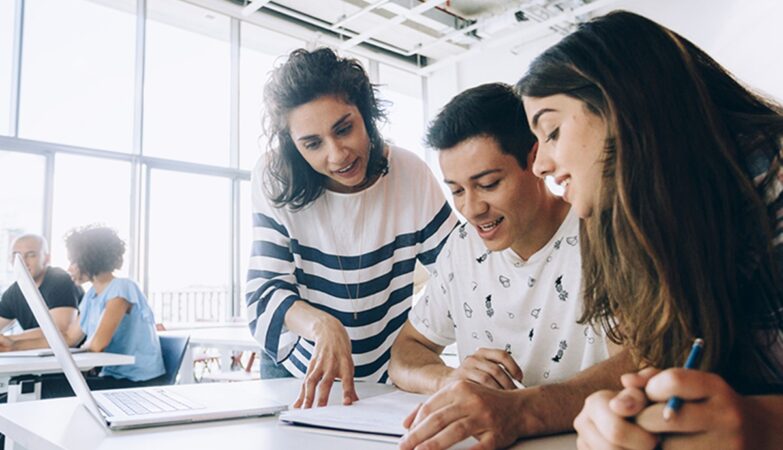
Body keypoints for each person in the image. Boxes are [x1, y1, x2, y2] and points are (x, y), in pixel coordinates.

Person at [516, 10, 783, 449]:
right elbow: (677, 371)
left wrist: (764, 425)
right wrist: (633, 415)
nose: (541, 164)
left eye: (552, 130)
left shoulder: (771, 178)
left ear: (622, 105)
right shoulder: (647, 224)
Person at [394, 83, 633, 450]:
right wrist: (451, 379)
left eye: (488, 184)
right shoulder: (461, 248)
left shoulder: (602, 232)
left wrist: (520, 408)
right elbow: (406, 351)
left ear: (535, 160)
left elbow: (639, 361)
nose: (472, 209)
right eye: (457, 191)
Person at [245, 47, 458, 409]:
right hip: (296, 371)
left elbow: (461, 273)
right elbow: (265, 294)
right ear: (295, 147)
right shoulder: (274, 177)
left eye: (344, 129)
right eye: (312, 144)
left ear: (367, 114)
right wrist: (320, 325)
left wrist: (423, 341)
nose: (337, 154)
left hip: (385, 370)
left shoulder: (410, 174)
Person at [1, 226, 165, 393]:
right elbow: (69, 337)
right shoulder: (91, 296)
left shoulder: (122, 288)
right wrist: (13, 345)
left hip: (138, 382)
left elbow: (97, 345)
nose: (69, 268)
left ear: (89, 260)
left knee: (42, 390)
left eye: (73, 261)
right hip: (111, 377)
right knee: (34, 388)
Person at [0, 234, 82, 345]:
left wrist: (10, 339)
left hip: (78, 358)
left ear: (46, 259)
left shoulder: (60, 281)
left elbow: (60, 330)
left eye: (31, 255)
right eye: (16, 255)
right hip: (40, 357)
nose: (23, 262)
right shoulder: (13, 292)